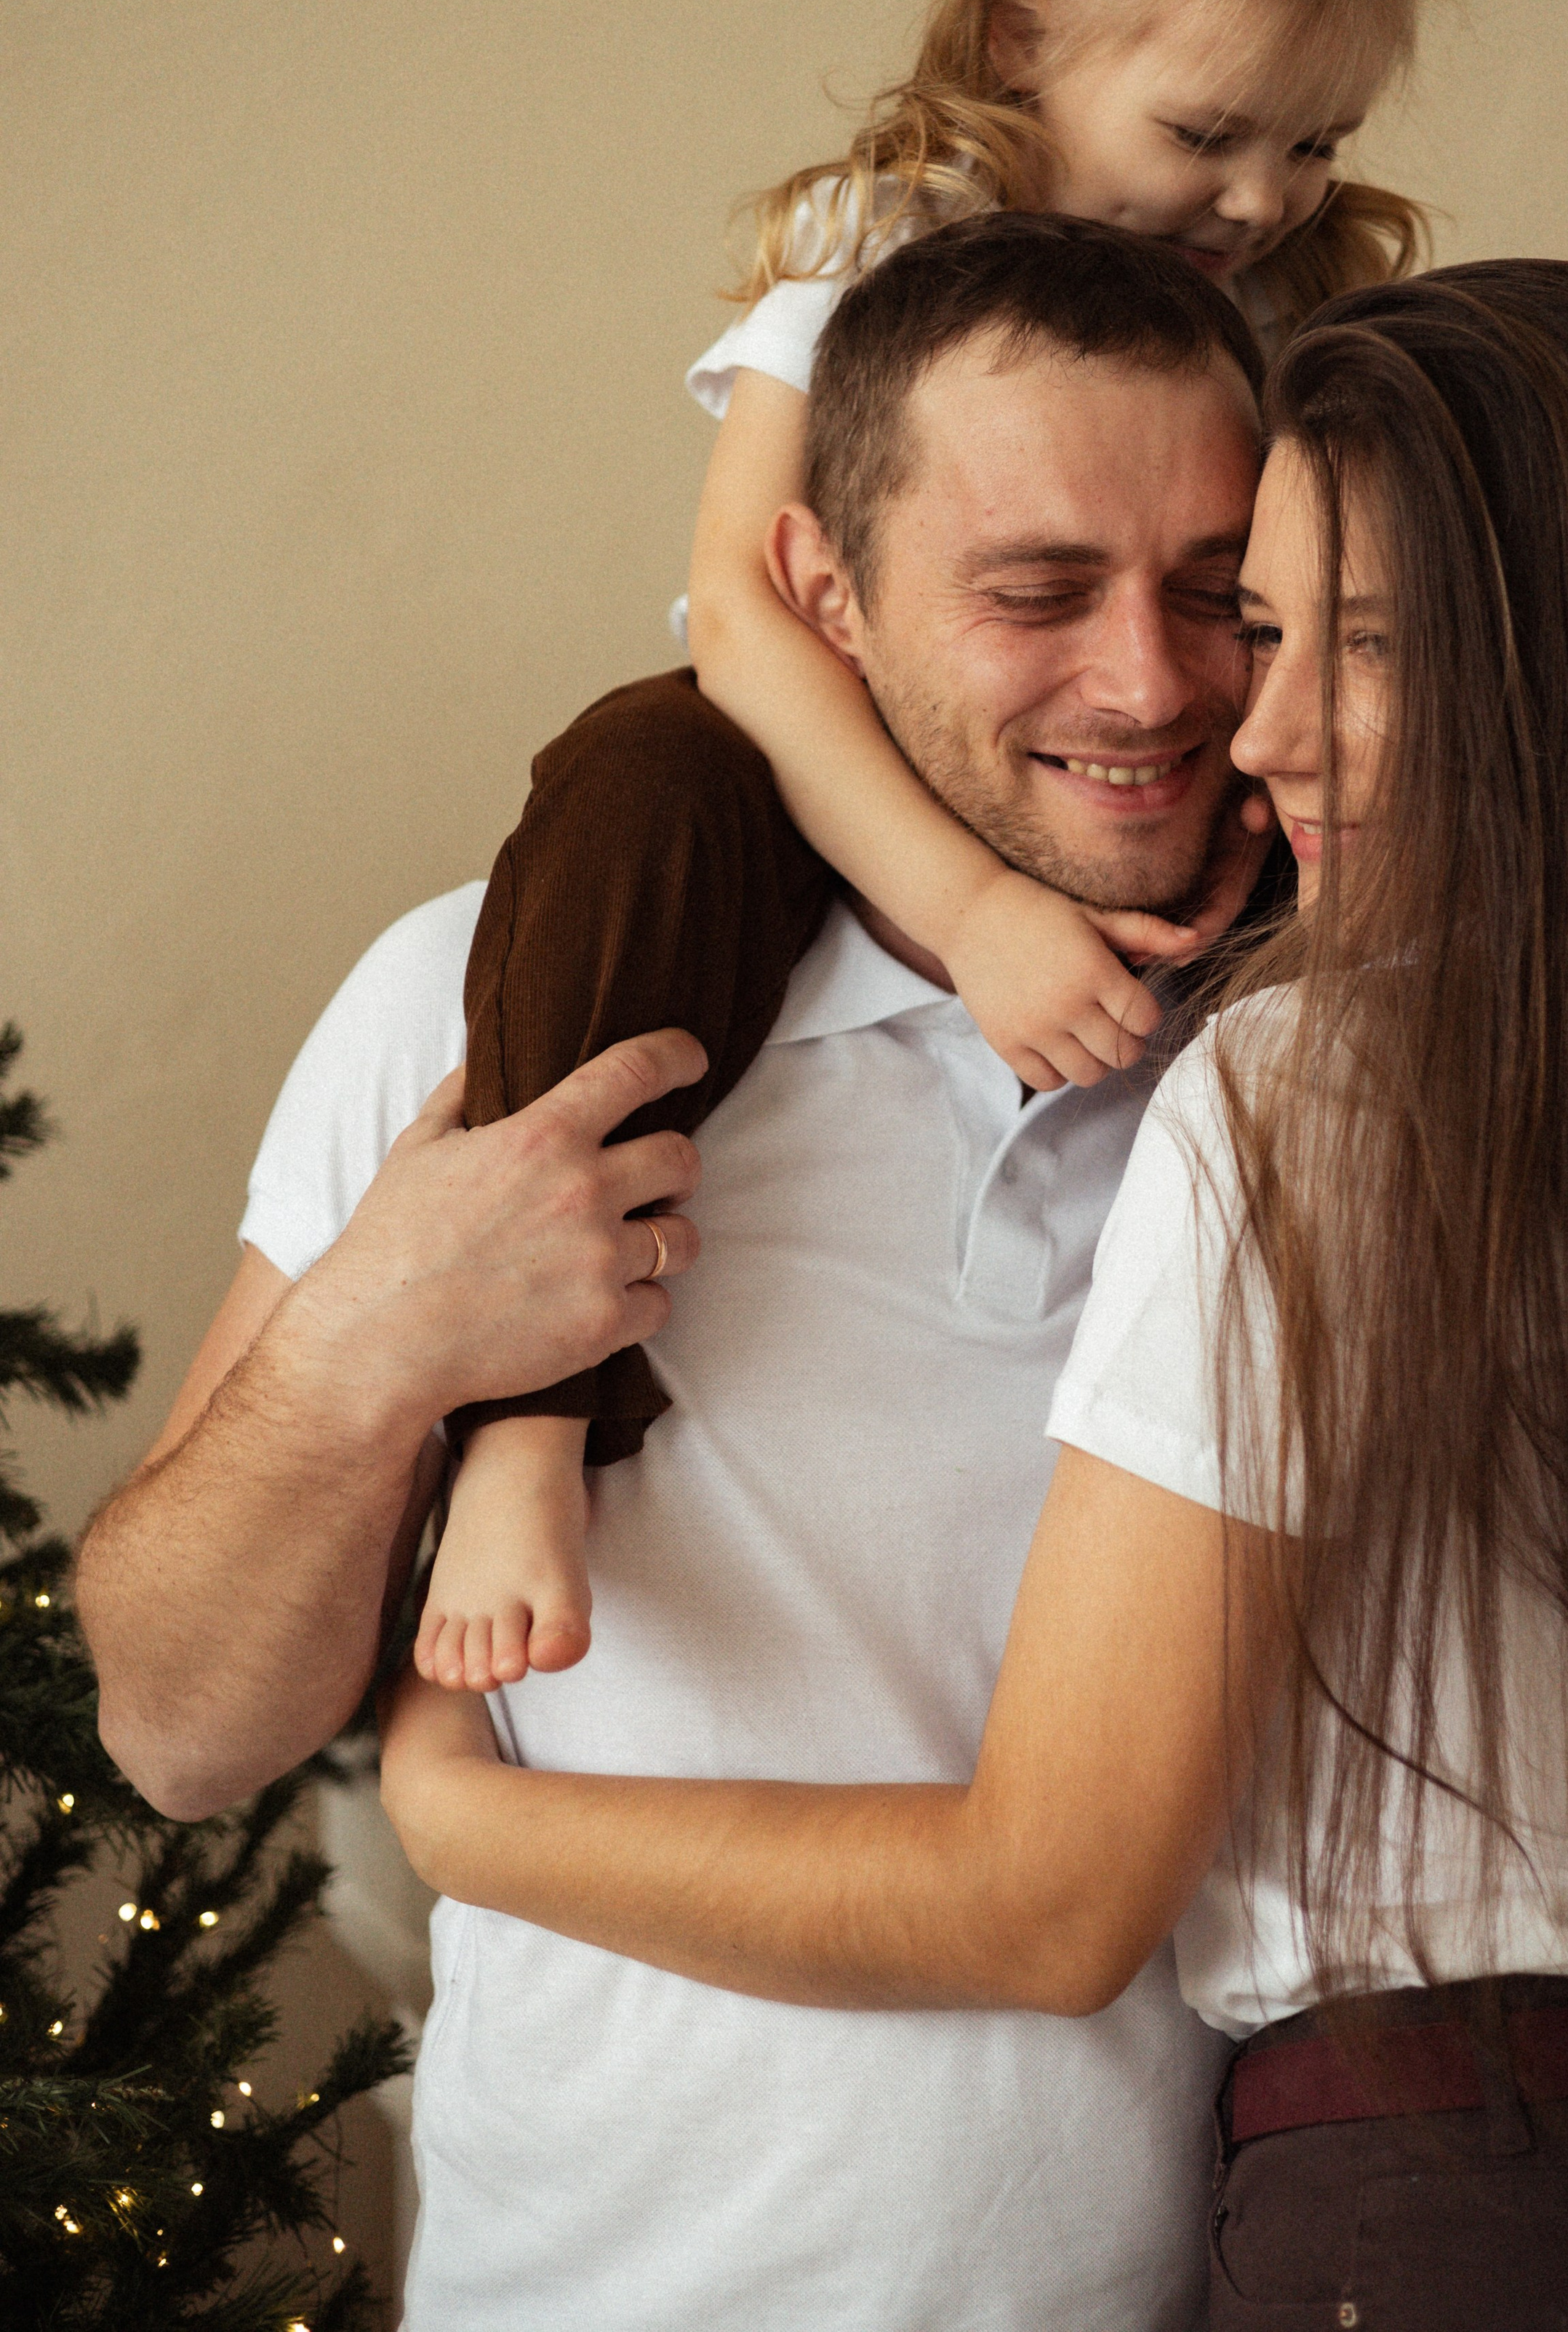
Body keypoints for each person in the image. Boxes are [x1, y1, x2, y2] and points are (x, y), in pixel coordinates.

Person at [379, 262, 1568, 2328]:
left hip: (1467, 2205)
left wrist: (463, 1816)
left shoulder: (1322, 1092)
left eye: (1359, 642)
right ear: (831, 592)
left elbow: (1048, 1896)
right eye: (1282, 628)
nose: (1246, 725)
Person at [78, 214, 1270, 2330]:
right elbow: (175, 1728)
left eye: (1212, 590)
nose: (1152, 682)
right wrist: (382, 1337)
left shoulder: (1310, 1089)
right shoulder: (485, 998)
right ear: (817, 589)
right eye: (1038, 592)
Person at [425, 0, 1434, 1690]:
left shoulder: (1283, 303)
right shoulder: (878, 239)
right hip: (818, 737)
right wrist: (973, 913)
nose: (1258, 198)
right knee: (636, 772)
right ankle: (530, 1425)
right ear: (1022, 27)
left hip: (1132, 811)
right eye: (1207, 132)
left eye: (1315, 142)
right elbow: (745, 605)